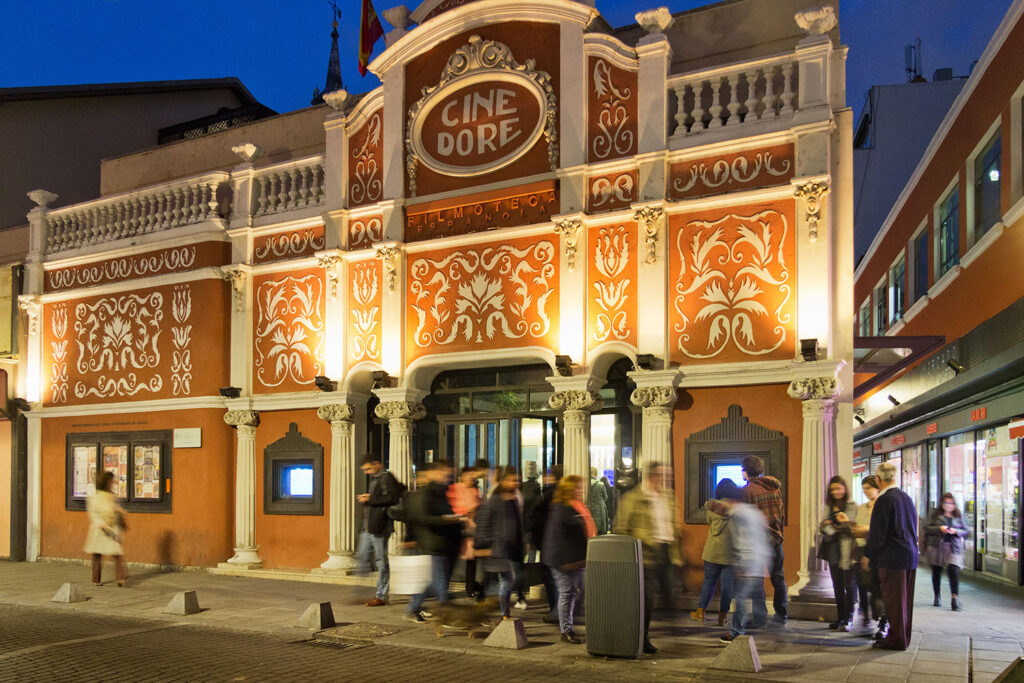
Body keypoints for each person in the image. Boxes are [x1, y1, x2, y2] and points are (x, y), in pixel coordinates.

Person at [614, 461, 681, 655]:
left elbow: (673, 525)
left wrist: (676, 554)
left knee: (670, 593)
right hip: (645, 555)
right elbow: (622, 529)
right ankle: (642, 638)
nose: (665, 479)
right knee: (647, 600)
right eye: (662, 475)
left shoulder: (667, 496)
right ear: (652, 476)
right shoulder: (632, 498)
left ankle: (673, 630)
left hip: (666, 551)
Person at [862, 461, 919, 650]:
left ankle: (896, 639)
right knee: (904, 603)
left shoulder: (884, 500)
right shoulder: (906, 497)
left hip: (892, 558)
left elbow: (878, 533)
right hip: (909, 555)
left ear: (878, 479)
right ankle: (902, 637)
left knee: (894, 602)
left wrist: (868, 555)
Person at [404, 460, 464, 623]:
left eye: (449, 474)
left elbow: (445, 514)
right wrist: (446, 519)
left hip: (444, 544)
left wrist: (455, 520)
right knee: (441, 584)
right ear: (432, 473)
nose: (447, 476)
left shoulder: (442, 492)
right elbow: (421, 518)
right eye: (443, 473)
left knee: (431, 582)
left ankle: (412, 609)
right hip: (431, 545)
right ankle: (448, 616)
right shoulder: (425, 494)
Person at [542, 474, 596, 644]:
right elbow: (557, 539)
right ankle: (566, 630)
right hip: (564, 561)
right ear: (568, 489)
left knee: (581, 593)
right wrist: (565, 562)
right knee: (567, 594)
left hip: (578, 559)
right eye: (577, 487)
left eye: (581, 487)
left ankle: (570, 623)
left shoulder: (577, 507)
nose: (580, 490)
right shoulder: (562, 508)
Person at [474, 466, 526, 619]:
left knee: (502, 581)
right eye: (511, 480)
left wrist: (522, 543)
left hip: (511, 548)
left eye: (517, 480)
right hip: (498, 548)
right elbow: (484, 523)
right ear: (503, 481)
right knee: (505, 581)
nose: (515, 483)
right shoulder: (495, 500)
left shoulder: (514, 499)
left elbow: (517, 524)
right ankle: (502, 613)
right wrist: (485, 545)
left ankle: (494, 611)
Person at [741, 455, 788, 625]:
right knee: (778, 577)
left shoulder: (747, 491)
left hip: (757, 541)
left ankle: (760, 618)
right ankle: (781, 615)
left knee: (757, 578)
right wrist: (779, 533)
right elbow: (781, 514)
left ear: (746, 472)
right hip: (776, 538)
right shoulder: (775, 488)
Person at [719, 497, 770, 642]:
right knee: (756, 593)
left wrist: (743, 563)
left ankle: (736, 631)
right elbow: (762, 535)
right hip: (758, 559)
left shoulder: (738, 515)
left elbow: (743, 540)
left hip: (749, 560)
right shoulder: (753, 512)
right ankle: (761, 621)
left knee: (740, 597)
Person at [356, 454, 403, 606]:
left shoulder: (387, 478)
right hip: (368, 526)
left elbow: (392, 499)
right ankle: (359, 592)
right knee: (362, 556)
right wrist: (368, 499)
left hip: (380, 527)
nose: (367, 472)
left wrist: (370, 499)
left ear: (377, 464)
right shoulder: (374, 479)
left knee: (381, 561)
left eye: (368, 468)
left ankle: (381, 595)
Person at [691, 479, 740, 627]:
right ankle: (723, 616)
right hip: (730, 553)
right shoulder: (737, 509)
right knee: (727, 586)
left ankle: (701, 611)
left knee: (709, 582)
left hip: (712, 551)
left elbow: (709, 522)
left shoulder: (711, 507)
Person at [818, 475, 859, 631]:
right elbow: (821, 527)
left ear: (844, 489)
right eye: (833, 489)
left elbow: (850, 527)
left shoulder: (851, 505)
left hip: (848, 550)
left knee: (849, 585)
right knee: (837, 585)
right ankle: (840, 617)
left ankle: (849, 617)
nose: (836, 492)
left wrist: (833, 524)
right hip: (832, 550)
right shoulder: (829, 506)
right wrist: (835, 525)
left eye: (838, 488)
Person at [852, 475, 886, 638]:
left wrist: (866, 529)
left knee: (878, 588)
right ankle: (866, 617)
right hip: (861, 549)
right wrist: (867, 529)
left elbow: (879, 531)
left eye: (869, 487)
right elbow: (856, 530)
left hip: (878, 552)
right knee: (863, 586)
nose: (866, 491)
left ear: (877, 488)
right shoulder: (862, 508)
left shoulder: (882, 506)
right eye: (864, 488)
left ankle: (883, 622)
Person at [925, 492, 970, 611]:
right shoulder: (935, 513)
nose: (949, 505)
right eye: (946, 503)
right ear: (942, 503)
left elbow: (966, 531)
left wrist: (956, 531)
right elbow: (927, 528)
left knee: (953, 571)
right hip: (937, 545)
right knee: (936, 571)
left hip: (953, 547)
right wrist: (939, 529)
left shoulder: (959, 515)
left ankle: (954, 599)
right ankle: (937, 595)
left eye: (951, 503)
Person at [529, 465, 562, 624]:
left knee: (551, 579)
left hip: (548, 544)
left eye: (546, 475)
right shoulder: (558, 494)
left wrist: (535, 540)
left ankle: (556, 611)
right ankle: (559, 610)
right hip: (553, 543)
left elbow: (537, 520)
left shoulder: (549, 495)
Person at [84, 471, 128, 587]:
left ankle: (120, 578)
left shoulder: (112, 496)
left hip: (112, 528)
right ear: (105, 482)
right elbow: (93, 513)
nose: (113, 484)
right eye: (111, 482)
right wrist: (101, 524)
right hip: (100, 529)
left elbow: (114, 508)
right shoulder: (94, 497)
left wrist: (120, 511)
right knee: (97, 554)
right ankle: (96, 579)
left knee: (116, 553)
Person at [448, 465, 483, 600]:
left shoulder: (475, 491)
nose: (472, 478)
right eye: (469, 476)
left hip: (471, 529)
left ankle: (470, 588)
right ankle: (444, 588)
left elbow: (478, 506)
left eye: (473, 476)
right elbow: (451, 509)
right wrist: (463, 512)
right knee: (453, 559)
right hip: (458, 528)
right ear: (462, 477)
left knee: (471, 560)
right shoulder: (454, 489)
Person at [588, 467, 609, 535]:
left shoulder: (586, 484)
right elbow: (605, 497)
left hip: (589, 509)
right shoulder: (600, 484)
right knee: (600, 532)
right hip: (600, 510)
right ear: (596, 474)